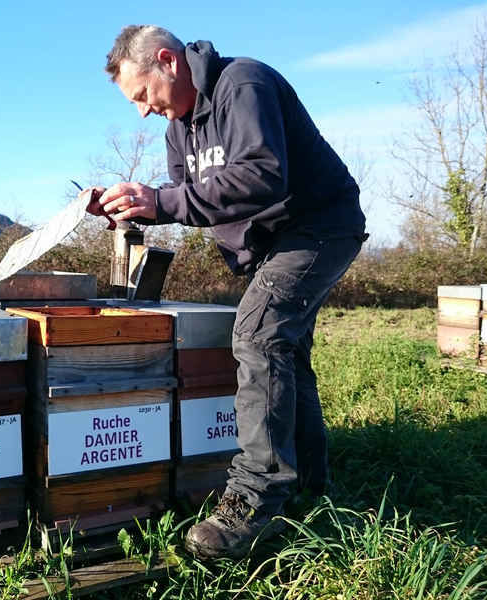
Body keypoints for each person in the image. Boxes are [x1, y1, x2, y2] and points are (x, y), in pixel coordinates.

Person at [84, 25, 367, 560]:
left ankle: (256, 500)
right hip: (273, 245)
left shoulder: (243, 83)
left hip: (320, 227)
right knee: (286, 353)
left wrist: (161, 201)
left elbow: (264, 175)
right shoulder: (179, 132)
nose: (142, 111)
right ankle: (308, 482)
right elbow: (196, 200)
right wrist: (135, 204)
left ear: (167, 61)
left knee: (257, 335)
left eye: (141, 95)